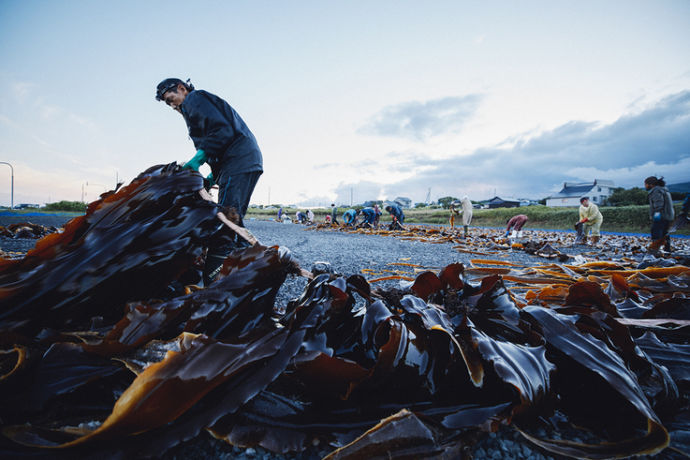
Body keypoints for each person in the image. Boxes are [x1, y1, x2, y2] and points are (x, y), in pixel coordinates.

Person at [156, 78, 263, 285]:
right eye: (168, 104)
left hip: (238, 160)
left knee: (226, 219)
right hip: (239, 161)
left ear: (181, 88)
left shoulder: (195, 99)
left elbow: (221, 131)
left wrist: (197, 160)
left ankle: (215, 282)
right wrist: (213, 176)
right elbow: (220, 140)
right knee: (234, 219)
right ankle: (252, 272)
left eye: (172, 99)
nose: (173, 106)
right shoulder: (194, 106)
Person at [644, 176, 674, 253]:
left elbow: (658, 205)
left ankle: (655, 251)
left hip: (661, 215)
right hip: (668, 215)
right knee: (665, 233)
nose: (645, 186)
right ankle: (667, 250)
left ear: (651, 184)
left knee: (656, 232)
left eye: (646, 184)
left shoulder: (656, 191)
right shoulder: (664, 189)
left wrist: (655, 217)